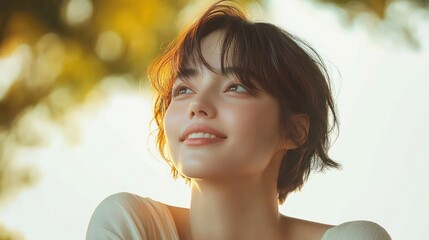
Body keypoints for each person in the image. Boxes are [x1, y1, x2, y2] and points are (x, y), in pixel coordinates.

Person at [86, 1, 391, 239]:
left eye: (236, 87)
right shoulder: (130, 224)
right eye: (183, 89)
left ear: (294, 130)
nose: (197, 105)